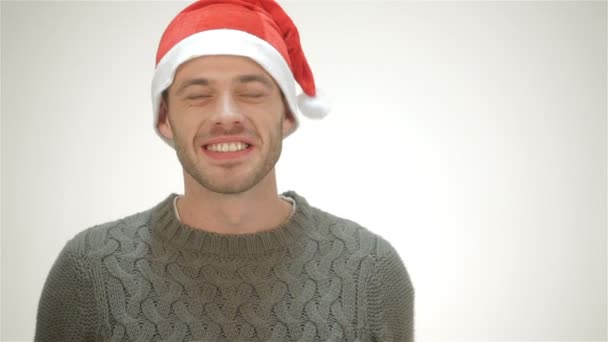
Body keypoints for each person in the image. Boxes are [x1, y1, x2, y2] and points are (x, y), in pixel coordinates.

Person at [34, 0, 415, 341]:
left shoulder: (370, 271)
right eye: (198, 96)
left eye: (252, 92)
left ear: (286, 113)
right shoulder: (91, 271)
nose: (226, 116)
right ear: (165, 119)